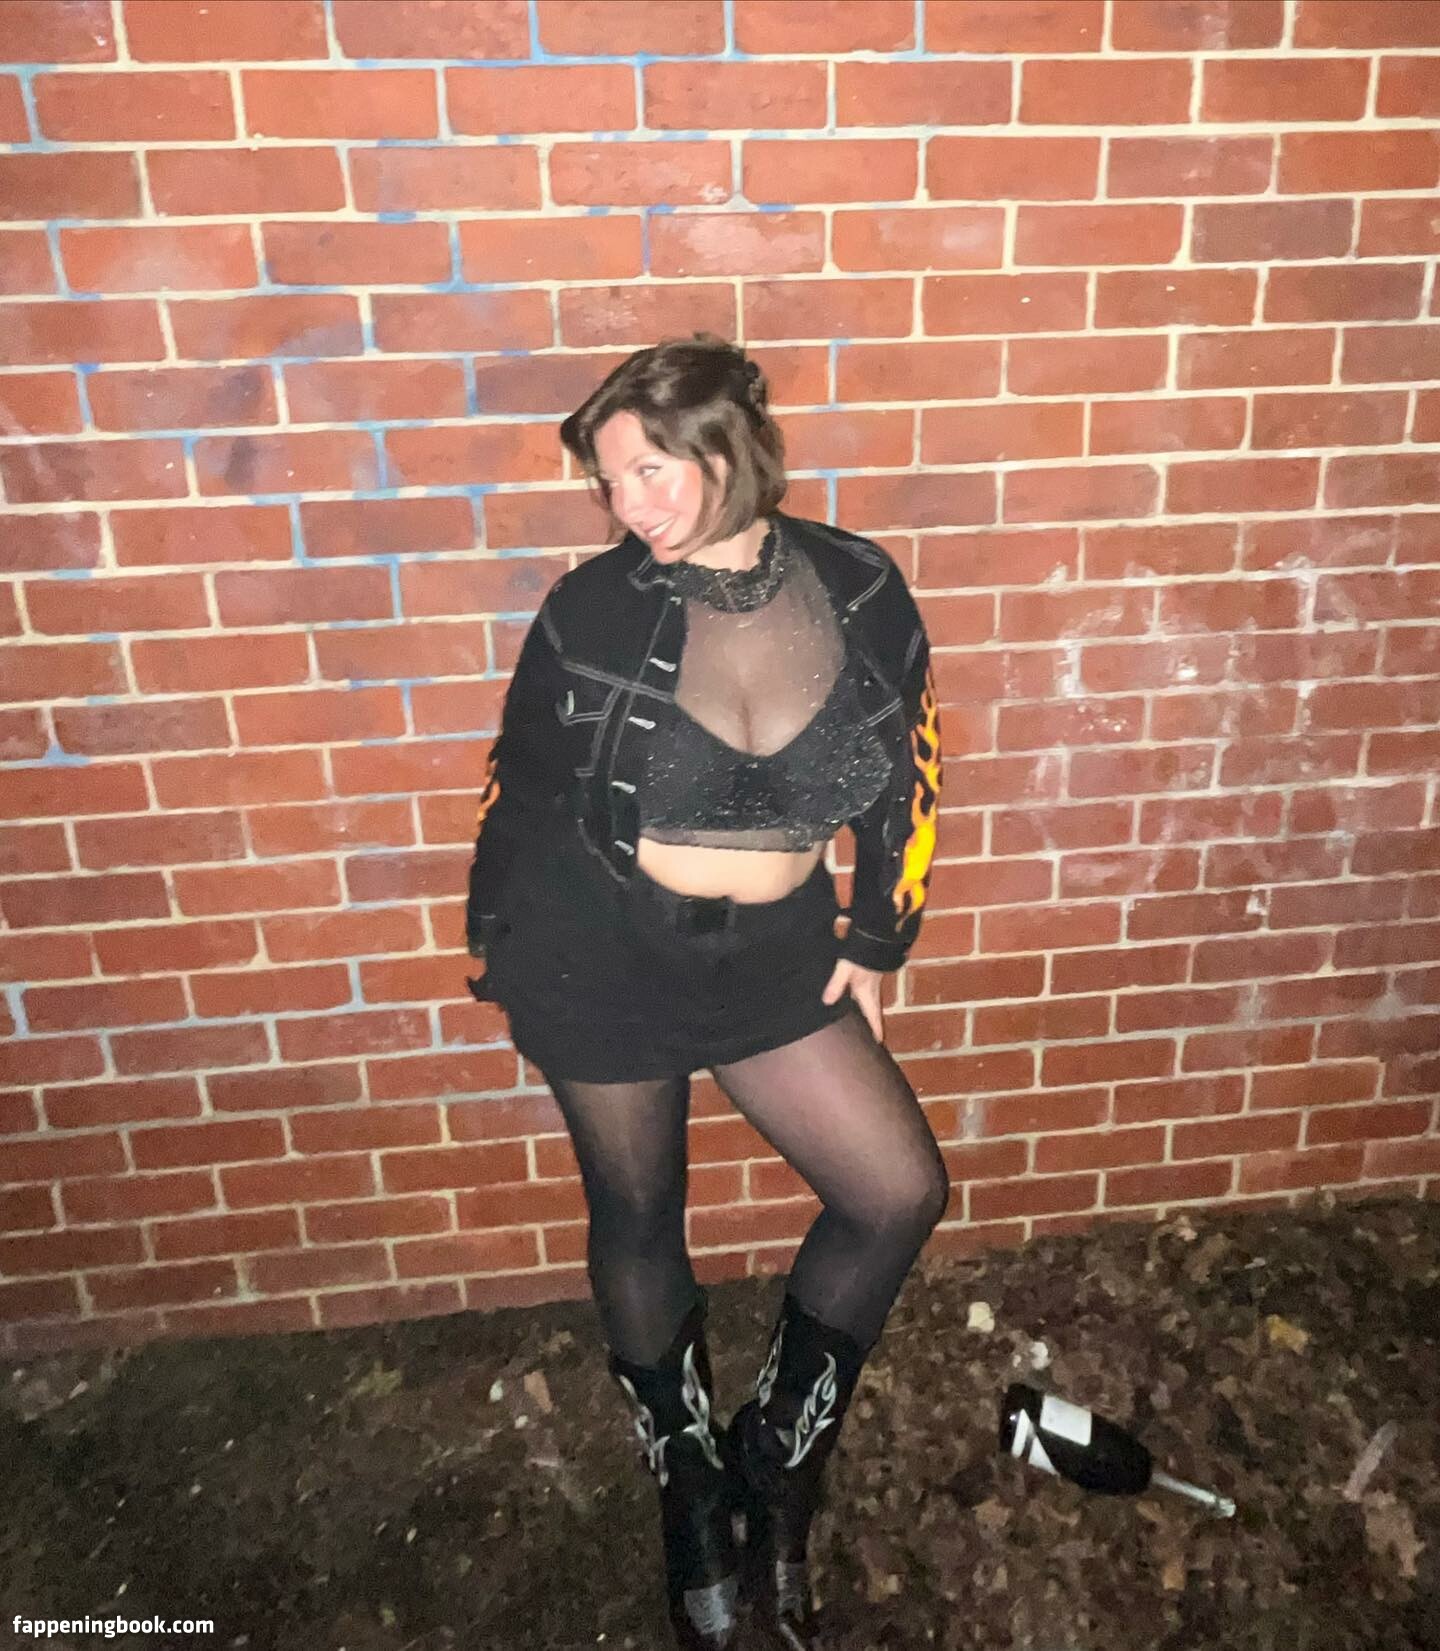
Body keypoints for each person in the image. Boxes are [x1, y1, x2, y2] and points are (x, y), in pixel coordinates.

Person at [464, 333, 947, 1650]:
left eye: (648, 471)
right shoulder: (589, 609)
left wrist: (880, 931)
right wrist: (502, 945)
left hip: (775, 957)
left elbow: (914, 762)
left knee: (895, 1191)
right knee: (638, 1210)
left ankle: (778, 1456)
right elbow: (519, 783)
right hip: (598, 950)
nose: (627, 505)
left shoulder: (859, 585)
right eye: (609, 482)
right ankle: (687, 1481)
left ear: (728, 449)